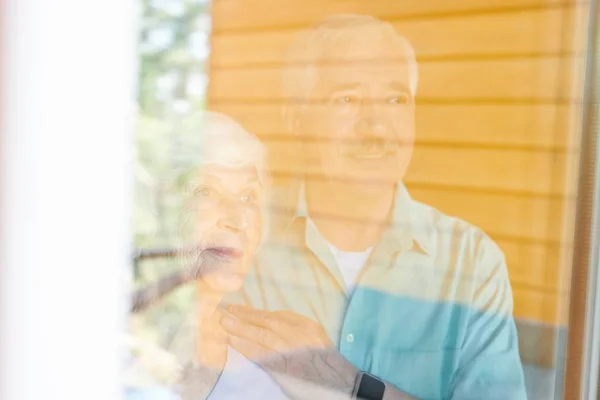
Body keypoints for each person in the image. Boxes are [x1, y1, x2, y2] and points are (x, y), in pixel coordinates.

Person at [219, 15, 528, 400]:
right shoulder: (238, 234)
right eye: (347, 99)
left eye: (396, 99)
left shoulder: (472, 261)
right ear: (295, 117)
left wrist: (349, 386)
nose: (377, 127)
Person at [123, 111, 269, 400]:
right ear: (164, 210)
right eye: (206, 192)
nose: (235, 219)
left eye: (247, 197)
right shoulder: (126, 343)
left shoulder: (277, 354)